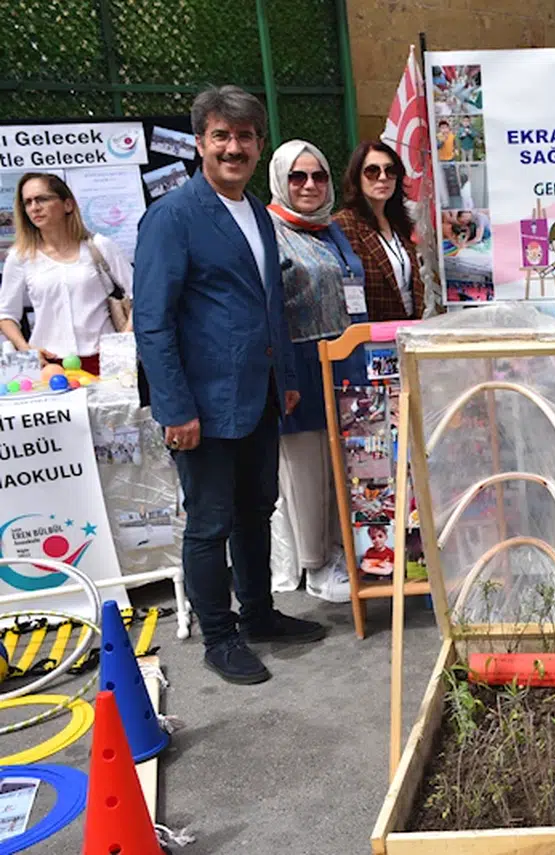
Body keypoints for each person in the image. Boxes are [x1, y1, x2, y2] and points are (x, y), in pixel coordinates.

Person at [134, 85, 326, 686]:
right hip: (202, 405)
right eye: (221, 136)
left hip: (259, 396)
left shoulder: (257, 214)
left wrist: (284, 379)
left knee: (256, 510)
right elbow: (153, 321)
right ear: (199, 143)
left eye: (245, 137)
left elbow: (270, 305)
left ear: (258, 145)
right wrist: (174, 407)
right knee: (210, 521)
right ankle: (219, 637)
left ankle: (259, 614)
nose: (233, 148)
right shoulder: (173, 216)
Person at [265, 139, 367, 599]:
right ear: (279, 180)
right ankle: (316, 564)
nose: (309, 185)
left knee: (346, 464)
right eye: (297, 176)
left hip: (348, 359)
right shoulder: (270, 230)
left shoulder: (329, 228)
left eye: (319, 176)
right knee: (307, 469)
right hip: (302, 363)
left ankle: (344, 551)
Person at [0, 173, 132, 375]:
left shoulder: (99, 246)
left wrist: (123, 340)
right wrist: (25, 349)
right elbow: (6, 314)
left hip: (104, 361)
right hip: (48, 365)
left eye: (42, 199)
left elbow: (141, 296)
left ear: (67, 204)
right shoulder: (20, 256)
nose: (34, 207)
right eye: (28, 202)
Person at [335, 141, 425, 321]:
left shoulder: (399, 223)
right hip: (369, 330)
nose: (383, 177)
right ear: (357, 177)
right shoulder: (343, 225)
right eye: (372, 171)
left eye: (390, 170)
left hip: (409, 326)